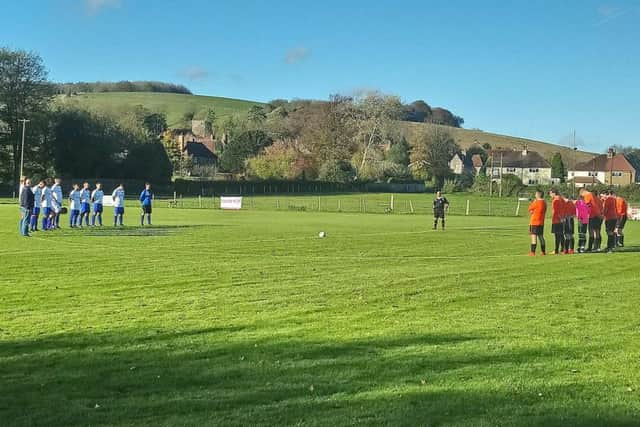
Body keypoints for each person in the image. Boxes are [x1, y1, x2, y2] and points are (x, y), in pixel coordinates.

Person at [579, 188, 602, 252]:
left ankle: (590, 248)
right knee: (597, 232)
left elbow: (587, 205)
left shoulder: (587, 195)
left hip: (592, 216)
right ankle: (597, 247)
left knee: (591, 232)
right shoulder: (595, 197)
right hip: (598, 215)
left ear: (582, 192)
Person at [528, 190, 547, 256]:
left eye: (536, 194)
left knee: (533, 237)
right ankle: (543, 251)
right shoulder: (544, 202)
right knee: (541, 236)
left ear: (538, 195)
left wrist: (533, 202)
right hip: (541, 222)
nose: (535, 195)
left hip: (534, 222)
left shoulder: (536, 202)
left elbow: (530, 208)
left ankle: (532, 252)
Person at [549, 189, 565, 255]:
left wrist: (560, 217)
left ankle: (556, 250)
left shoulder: (556, 200)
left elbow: (556, 210)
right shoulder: (561, 199)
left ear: (554, 193)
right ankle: (562, 249)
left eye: (550, 193)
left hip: (557, 220)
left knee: (557, 235)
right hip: (561, 219)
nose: (550, 195)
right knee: (561, 235)